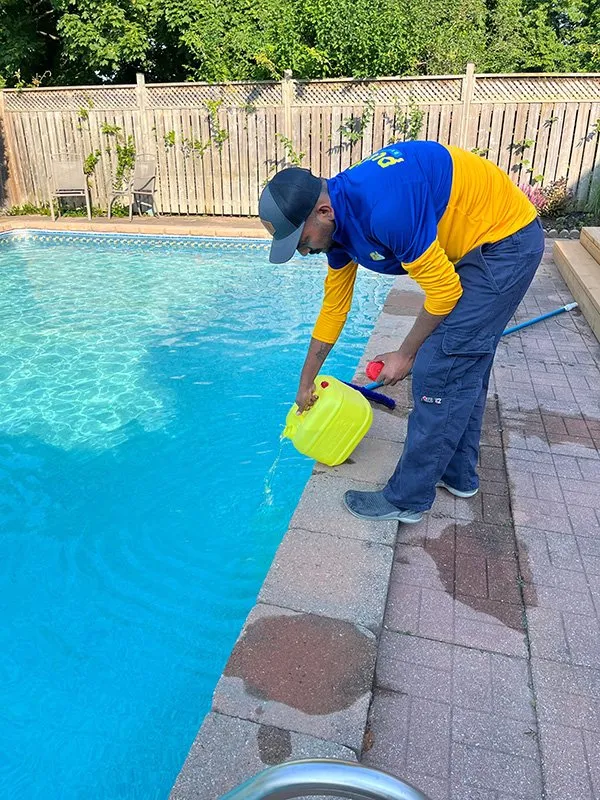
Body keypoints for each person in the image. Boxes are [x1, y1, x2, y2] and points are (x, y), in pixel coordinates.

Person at [258, 141, 544, 523]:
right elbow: (334, 309)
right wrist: (305, 382)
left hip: (506, 244)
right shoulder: (341, 224)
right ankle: (458, 475)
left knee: (438, 366)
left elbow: (444, 292)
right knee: (463, 367)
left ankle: (408, 499)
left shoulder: (383, 211)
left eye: (301, 240)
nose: (304, 252)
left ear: (323, 212)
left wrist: (405, 354)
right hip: (483, 245)